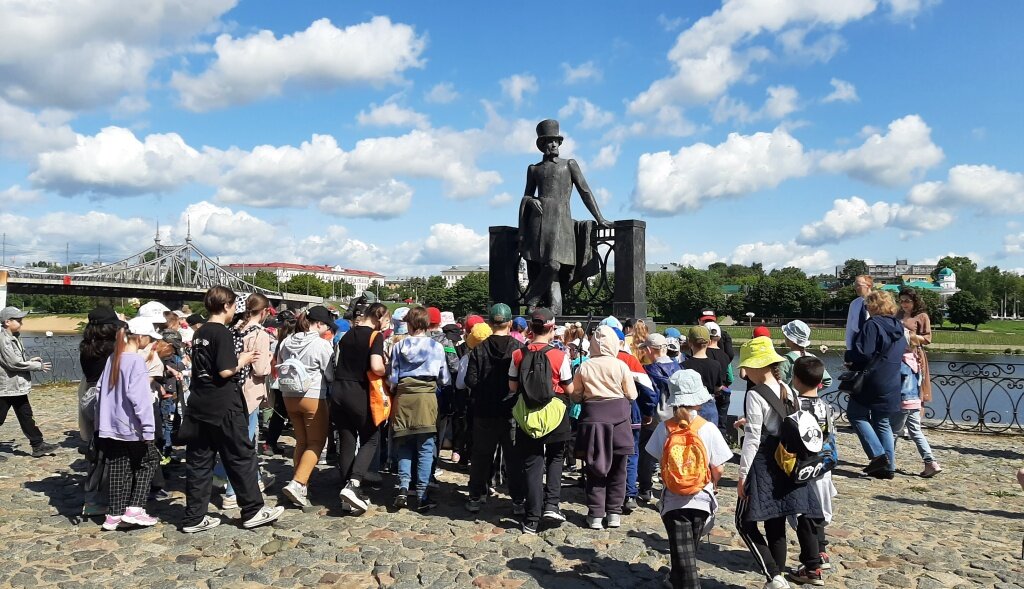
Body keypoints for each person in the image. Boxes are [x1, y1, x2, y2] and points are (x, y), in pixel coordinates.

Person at [181, 286, 283, 533]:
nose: (236, 310)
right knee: (241, 456)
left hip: (199, 402)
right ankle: (252, 510)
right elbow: (226, 370)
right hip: (224, 403)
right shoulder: (222, 333)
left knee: (199, 460)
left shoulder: (200, 332)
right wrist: (244, 359)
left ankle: (194, 517)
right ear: (226, 306)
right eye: (235, 305)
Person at [735, 337, 823, 589]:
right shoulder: (788, 389)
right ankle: (778, 579)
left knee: (745, 522)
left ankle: (773, 574)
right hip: (786, 461)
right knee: (777, 522)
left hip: (763, 461)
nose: (745, 372)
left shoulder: (755, 394)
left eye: (747, 368)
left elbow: (752, 438)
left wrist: (742, 475)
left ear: (756, 367)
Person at [644, 369, 730, 589]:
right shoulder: (708, 428)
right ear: (699, 401)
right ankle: (678, 580)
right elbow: (718, 467)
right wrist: (714, 483)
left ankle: (681, 581)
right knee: (689, 548)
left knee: (682, 551)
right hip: (701, 497)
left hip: (674, 499)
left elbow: (655, 456)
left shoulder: (664, 428)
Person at [518, 118, 611, 314]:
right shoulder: (534, 169)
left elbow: (585, 191)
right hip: (540, 222)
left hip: (561, 223)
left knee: (554, 265)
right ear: (542, 145)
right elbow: (526, 194)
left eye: (556, 141)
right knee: (548, 266)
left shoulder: (569, 164)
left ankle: (532, 299)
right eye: (549, 141)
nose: (554, 144)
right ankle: (553, 310)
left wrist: (599, 218)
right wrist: (530, 200)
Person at [508, 308, 574, 534]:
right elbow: (569, 388)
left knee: (532, 463)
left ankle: (532, 517)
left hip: (528, 414)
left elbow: (512, 386)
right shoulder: (559, 355)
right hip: (555, 412)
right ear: (551, 328)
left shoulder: (518, 354)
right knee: (556, 458)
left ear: (531, 328)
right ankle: (552, 504)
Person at [95, 317, 163, 531]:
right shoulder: (135, 361)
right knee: (149, 461)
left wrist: (100, 422)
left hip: (111, 425)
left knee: (118, 466)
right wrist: (148, 429)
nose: (150, 342)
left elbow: (98, 391)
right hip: (132, 426)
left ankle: (114, 514)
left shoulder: (114, 357)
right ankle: (135, 508)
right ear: (140, 337)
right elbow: (140, 399)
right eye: (150, 338)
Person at [572, 325, 638, 530]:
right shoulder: (621, 366)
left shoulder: (585, 366)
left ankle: (595, 514)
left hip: (592, 421)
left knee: (594, 468)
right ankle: (614, 513)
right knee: (619, 469)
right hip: (619, 421)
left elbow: (575, 395)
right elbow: (632, 394)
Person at [464, 303, 526, 514]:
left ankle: (475, 496)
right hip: (510, 410)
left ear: (490, 323)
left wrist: (484, 390)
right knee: (514, 458)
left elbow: (470, 379)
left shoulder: (478, 348)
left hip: (484, 410)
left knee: (481, 455)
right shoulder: (518, 350)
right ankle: (518, 500)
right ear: (510, 323)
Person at [390, 306, 451, 511]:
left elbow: (392, 378)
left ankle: (403, 487)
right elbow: (445, 378)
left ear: (409, 323)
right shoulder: (436, 347)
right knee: (425, 446)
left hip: (404, 397)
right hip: (427, 398)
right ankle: (422, 494)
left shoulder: (398, 347)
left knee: (404, 443)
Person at [330, 302, 388, 514]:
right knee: (371, 438)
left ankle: (346, 493)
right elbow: (375, 366)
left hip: (338, 391)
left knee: (347, 440)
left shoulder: (346, 335)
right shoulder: (375, 336)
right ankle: (354, 485)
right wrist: (387, 370)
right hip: (359, 392)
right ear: (378, 317)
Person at [785, 356, 838, 585]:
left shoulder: (794, 406)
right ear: (820, 382)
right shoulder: (827, 407)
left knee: (804, 517)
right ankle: (821, 551)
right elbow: (831, 436)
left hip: (803, 469)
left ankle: (811, 567)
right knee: (819, 513)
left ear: (795, 379)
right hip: (823, 466)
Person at [218, 294, 274, 509]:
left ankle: (256, 479)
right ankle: (233, 492)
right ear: (264, 311)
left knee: (237, 439)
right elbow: (260, 370)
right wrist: (269, 363)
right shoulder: (259, 334)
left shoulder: (234, 329)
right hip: (249, 393)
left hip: (231, 390)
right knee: (245, 442)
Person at [276, 305, 335, 508]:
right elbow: (329, 373)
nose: (327, 330)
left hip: (288, 395)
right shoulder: (321, 344)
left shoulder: (286, 341)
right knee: (317, 442)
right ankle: (298, 483)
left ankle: (302, 481)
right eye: (326, 326)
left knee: (301, 441)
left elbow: (280, 362)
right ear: (318, 324)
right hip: (312, 395)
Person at [845, 290, 907, 480]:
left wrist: (849, 358)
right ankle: (889, 467)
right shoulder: (898, 326)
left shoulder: (872, 325)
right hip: (892, 379)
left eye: (867, 305)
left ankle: (879, 456)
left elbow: (864, 353)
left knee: (855, 414)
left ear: (873, 306)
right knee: (882, 422)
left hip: (872, 380)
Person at [78, 306, 126, 515]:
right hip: (106, 400)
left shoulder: (86, 347)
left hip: (89, 399)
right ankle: (106, 499)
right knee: (111, 451)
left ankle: (92, 498)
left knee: (96, 449)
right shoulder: (112, 348)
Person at [894, 288, 941, 478]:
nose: (904, 304)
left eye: (907, 301)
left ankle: (886, 460)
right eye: (902, 300)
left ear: (914, 302)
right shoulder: (897, 314)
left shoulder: (921, 316)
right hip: (898, 359)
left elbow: (927, 339)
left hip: (911, 360)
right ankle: (930, 461)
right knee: (911, 425)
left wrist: (910, 336)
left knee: (897, 420)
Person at [0, 306, 58, 459]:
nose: (21, 323)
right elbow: (12, 363)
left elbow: (14, 360)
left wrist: (28, 361)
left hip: (15, 386)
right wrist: (36, 366)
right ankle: (37, 444)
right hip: (6, 387)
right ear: (7, 322)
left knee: (26, 415)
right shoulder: (4, 338)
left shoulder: (13, 335)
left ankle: (38, 445)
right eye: (18, 320)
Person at [611, 327, 655, 513]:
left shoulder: (593, 360)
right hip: (630, 414)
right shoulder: (630, 360)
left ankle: (608, 492)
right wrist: (648, 412)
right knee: (631, 453)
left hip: (601, 416)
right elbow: (648, 390)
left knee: (604, 453)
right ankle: (629, 494)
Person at [639, 332, 682, 503]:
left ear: (650, 350)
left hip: (656, 416)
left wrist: (647, 414)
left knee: (647, 452)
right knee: (671, 452)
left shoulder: (649, 370)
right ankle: (669, 488)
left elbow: (650, 396)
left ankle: (645, 488)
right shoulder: (679, 367)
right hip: (675, 414)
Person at [682, 326, 723, 432]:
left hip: (689, 407)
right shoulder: (716, 365)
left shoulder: (683, 365)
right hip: (709, 405)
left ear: (690, 343)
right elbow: (718, 387)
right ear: (709, 342)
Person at [778, 320, 832, 389]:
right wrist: (811, 391)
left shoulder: (786, 360)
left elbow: (779, 385)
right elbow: (827, 381)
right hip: (810, 399)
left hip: (791, 399)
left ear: (790, 339)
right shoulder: (813, 358)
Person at [845, 275, 873, 350]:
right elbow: (849, 327)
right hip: (856, 340)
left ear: (868, 286)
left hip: (872, 339)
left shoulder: (877, 302)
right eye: (855, 285)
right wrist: (849, 348)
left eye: (858, 285)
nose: (855, 288)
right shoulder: (854, 303)